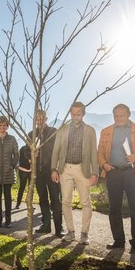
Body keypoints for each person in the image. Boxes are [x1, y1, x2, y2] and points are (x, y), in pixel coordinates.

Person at [98, 104, 135, 254]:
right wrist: (104, 164)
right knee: (114, 209)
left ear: (129, 114)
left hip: (133, 173)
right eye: (116, 116)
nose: (119, 118)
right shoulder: (106, 132)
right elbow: (100, 153)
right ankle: (118, 240)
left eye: (122, 115)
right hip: (113, 173)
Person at [51, 102, 99, 245]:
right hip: (64, 169)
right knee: (65, 201)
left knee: (86, 202)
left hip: (82, 169)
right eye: (73, 114)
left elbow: (93, 153)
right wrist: (54, 169)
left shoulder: (90, 131)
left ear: (83, 114)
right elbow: (56, 150)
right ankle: (70, 232)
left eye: (78, 114)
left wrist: (94, 172)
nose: (75, 116)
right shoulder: (63, 129)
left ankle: (84, 233)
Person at [31, 109, 64, 237]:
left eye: (41, 118)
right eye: (37, 119)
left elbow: (59, 150)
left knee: (56, 199)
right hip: (38, 173)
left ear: (46, 118)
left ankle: (59, 228)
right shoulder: (31, 134)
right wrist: (31, 154)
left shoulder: (53, 132)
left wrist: (55, 169)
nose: (39, 121)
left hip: (51, 171)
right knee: (42, 199)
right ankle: (45, 226)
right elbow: (26, 152)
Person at [15, 145, 31, 209]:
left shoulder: (23, 148)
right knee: (28, 188)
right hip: (25, 170)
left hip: (24, 170)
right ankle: (27, 204)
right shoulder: (27, 149)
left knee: (23, 187)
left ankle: (18, 204)